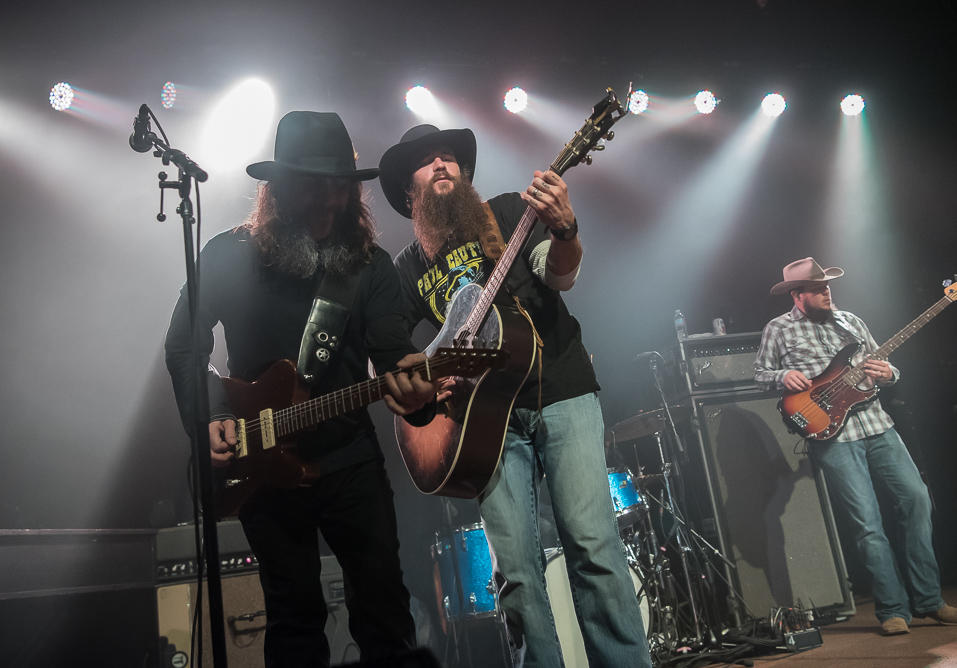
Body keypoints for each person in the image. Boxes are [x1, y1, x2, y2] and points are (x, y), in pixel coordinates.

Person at [164, 111, 438, 667]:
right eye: (314, 187)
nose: (330, 202)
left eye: (340, 188)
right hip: (261, 465)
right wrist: (211, 413)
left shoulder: (369, 266)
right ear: (279, 189)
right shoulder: (227, 254)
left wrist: (417, 395)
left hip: (350, 459)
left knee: (384, 610)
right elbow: (184, 346)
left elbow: (393, 352)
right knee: (293, 620)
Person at [378, 125, 651, 667]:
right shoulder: (407, 267)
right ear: (408, 190)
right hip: (483, 424)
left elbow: (558, 273)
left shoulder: (506, 212)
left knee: (593, 548)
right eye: (427, 160)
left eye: (448, 156)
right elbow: (387, 350)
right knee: (516, 575)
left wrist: (566, 229)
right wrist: (422, 382)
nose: (441, 164)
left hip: (560, 389)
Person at [754, 257, 957, 636]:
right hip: (833, 436)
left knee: (917, 500)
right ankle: (892, 610)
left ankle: (929, 601)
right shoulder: (778, 329)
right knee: (867, 524)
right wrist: (782, 375)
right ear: (797, 295)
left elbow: (885, 367)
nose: (826, 292)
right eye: (817, 288)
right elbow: (760, 375)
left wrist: (889, 373)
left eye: (827, 285)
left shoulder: (851, 322)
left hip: (878, 425)